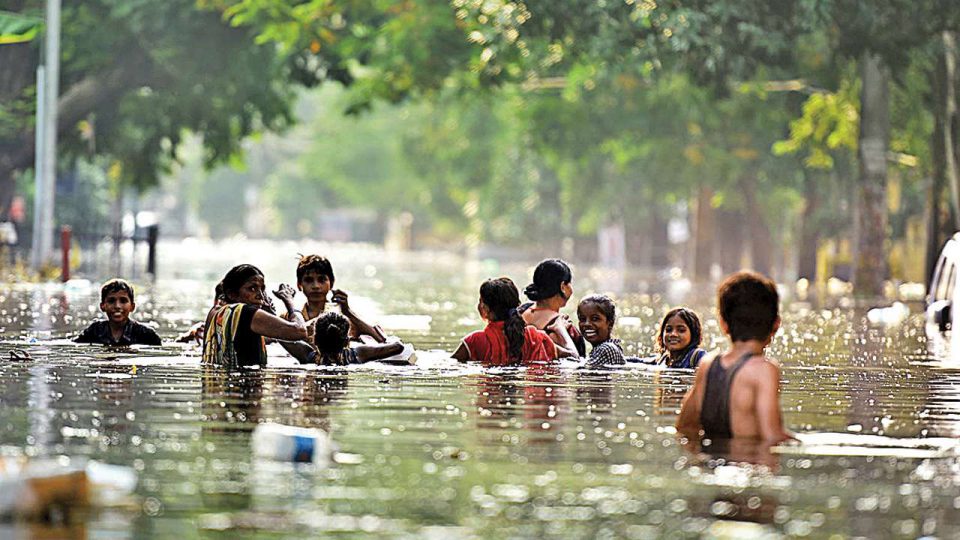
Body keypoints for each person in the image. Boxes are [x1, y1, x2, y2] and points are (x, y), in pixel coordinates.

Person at [676, 271, 792, 443]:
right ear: (776, 325)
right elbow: (771, 437)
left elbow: (684, 426)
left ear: (723, 325)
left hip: (709, 465)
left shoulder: (707, 365)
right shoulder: (764, 370)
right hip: (748, 464)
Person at [202, 264, 308, 368]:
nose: (260, 296)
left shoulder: (215, 313)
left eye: (262, 289)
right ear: (232, 294)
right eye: (252, 288)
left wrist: (270, 314)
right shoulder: (245, 312)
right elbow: (300, 331)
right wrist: (289, 301)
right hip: (244, 384)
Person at [452, 277, 560, 366]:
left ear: (485, 309)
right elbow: (573, 356)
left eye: (480, 301)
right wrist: (560, 329)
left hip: (491, 389)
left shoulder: (474, 341)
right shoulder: (537, 338)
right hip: (526, 390)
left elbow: (450, 365)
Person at [293, 254, 386, 343]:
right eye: (309, 280)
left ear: (331, 283)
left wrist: (348, 312)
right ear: (299, 285)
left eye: (321, 280)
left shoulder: (346, 318)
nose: (316, 286)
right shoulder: (291, 318)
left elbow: (381, 340)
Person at [519, 259, 584, 358]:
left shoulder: (519, 312)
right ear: (562, 287)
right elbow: (576, 363)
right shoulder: (564, 329)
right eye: (569, 283)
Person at [75, 278, 162, 346]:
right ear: (102, 306)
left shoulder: (145, 334)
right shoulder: (95, 330)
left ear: (132, 307)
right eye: (111, 301)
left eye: (123, 301)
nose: (117, 306)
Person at [312, 312, 406, 365]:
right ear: (346, 342)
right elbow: (398, 347)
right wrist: (383, 336)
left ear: (314, 340)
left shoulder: (304, 354)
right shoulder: (358, 354)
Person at [578, 294, 625, 369]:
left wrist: (560, 330)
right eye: (582, 319)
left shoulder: (606, 349)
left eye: (595, 319)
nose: (587, 324)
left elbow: (583, 372)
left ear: (610, 323)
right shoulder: (607, 347)